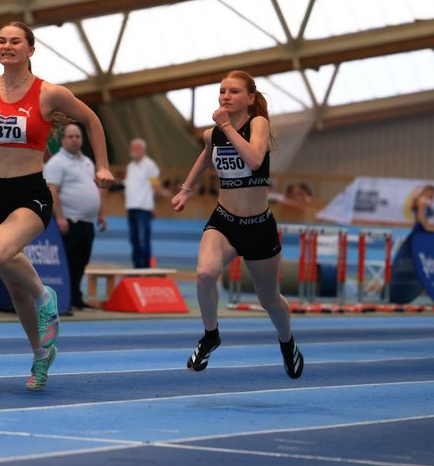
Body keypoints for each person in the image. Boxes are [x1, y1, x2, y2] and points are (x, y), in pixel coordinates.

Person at [0, 21, 113, 390]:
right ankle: (41, 354)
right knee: (14, 288)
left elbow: (92, 119)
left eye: (15, 41)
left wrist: (104, 165)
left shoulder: (49, 93)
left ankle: (46, 297)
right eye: (1, 40)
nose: (6, 46)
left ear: (30, 49)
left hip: (29, 192)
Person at [172, 70, 304, 380]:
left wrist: (227, 126)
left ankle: (287, 342)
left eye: (233, 91)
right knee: (205, 274)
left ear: (250, 98)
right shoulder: (213, 134)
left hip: (258, 226)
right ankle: (211, 334)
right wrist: (186, 189)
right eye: (222, 91)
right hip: (225, 222)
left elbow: (255, 160)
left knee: (268, 299)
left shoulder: (257, 124)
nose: (226, 96)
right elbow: (205, 156)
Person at [44, 122, 107, 311]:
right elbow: (52, 191)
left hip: (87, 222)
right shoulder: (56, 163)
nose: (74, 140)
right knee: (68, 262)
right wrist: (60, 217)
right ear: (63, 140)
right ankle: (64, 299)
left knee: (82, 261)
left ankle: (76, 297)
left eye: (78, 136)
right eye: (70, 136)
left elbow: (95, 188)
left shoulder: (87, 162)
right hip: (68, 221)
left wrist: (101, 214)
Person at [124, 138, 166, 268]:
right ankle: (136, 268)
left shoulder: (150, 165)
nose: (133, 151)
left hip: (144, 207)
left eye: (136, 148)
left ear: (143, 150)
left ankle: (145, 269)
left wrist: (153, 206)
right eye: (132, 148)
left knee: (143, 240)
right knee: (134, 240)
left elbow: (155, 186)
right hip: (131, 207)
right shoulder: (130, 166)